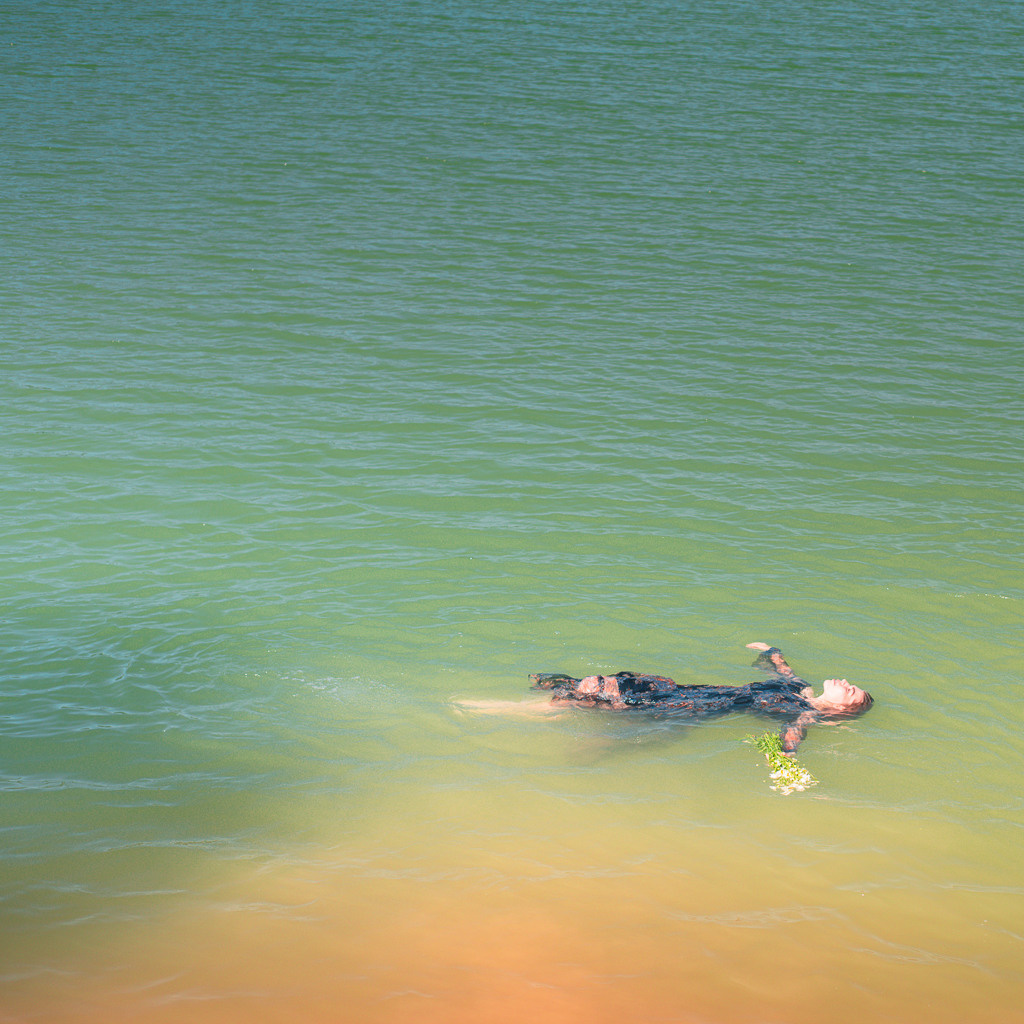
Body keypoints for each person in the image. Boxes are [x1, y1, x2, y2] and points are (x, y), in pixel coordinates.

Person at [528, 642, 873, 754]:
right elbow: (784, 671)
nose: (845, 682)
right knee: (612, 685)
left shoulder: (807, 712)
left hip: (704, 706)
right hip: (698, 691)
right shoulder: (800, 688)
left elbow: (793, 734)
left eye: (850, 689)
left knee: (613, 694)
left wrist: (787, 757)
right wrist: (772, 651)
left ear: (843, 708)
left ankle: (556, 704)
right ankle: (562, 698)